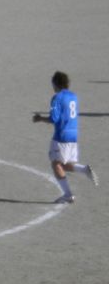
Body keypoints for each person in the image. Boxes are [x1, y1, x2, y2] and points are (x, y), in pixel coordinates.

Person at [32, 71, 98, 204]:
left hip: (61, 136)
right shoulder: (73, 96)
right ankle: (85, 170)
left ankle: (68, 194)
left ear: (55, 84)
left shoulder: (57, 97)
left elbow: (54, 118)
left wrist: (40, 119)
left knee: (56, 164)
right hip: (73, 135)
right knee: (64, 164)